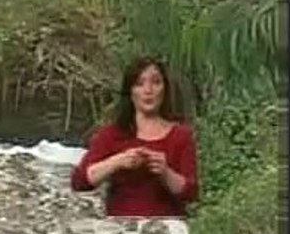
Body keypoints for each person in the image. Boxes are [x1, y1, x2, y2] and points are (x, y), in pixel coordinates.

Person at [70, 56, 199, 217]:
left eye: (156, 82)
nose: (148, 90)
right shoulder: (111, 135)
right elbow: (80, 181)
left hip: (167, 232)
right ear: (130, 92)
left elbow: (191, 192)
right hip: (120, 232)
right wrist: (117, 161)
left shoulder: (181, 136)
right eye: (139, 84)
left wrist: (165, 172)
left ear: (165, 89)